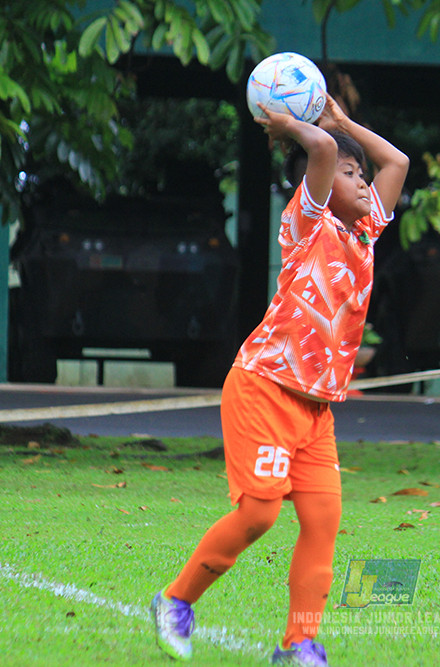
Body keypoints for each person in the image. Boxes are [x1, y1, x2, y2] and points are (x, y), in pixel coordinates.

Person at [150, 94, 409, 665]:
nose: (363, 179)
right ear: (317, 183)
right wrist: (293, 122)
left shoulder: (364, 235)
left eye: (360, 173)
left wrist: (344, 126)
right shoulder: (307, 225)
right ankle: (174, 601)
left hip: (316, 411)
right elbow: (317, 149)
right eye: (349, 173)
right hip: (263, 387)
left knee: (323, 521)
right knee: (260, 513)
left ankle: (300, 644)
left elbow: (398, 165)